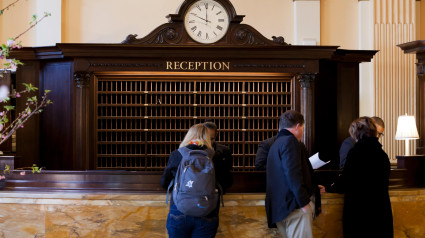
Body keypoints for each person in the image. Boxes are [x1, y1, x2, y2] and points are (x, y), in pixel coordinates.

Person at [160, 123, 232, 238]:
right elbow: (227, 182)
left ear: (189, 136)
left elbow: (164, 182)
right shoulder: (215, 156)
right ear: (207, 137)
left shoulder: (177, 154)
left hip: (179, 209)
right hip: (207, 211)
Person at [333, 117, 393, 238]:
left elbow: (345, 181)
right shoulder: (383, 155)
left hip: (359, 213)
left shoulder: (355, 153)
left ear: (356, 133)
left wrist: (330, 187)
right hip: (381, 212)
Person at [266, 110, 318, 238]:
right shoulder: (291, 141)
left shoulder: (275, 144)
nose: (302, 131)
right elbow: (293, 174)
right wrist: (303, 202)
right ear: (297, 126)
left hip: (279, 208)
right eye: (303, 128)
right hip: (294, 206)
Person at [203, 121, 233, 193]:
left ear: (216, 135)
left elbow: (228, 171)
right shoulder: (194, 151)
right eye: (206, 139)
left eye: (211, 139)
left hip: (218, 188)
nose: (208, 142)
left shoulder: (224, 150)